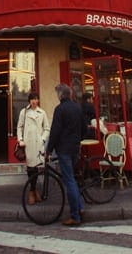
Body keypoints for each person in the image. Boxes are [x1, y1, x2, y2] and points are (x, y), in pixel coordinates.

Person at [45, 83, 87, 226]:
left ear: (60, 95)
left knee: (69, 181)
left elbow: (55, 132)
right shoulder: (77, 108)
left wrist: (49, 150)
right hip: (75, 148)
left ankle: (75, 216)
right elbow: (84, 128)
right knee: (71, 179)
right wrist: (77, 141)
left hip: (63, 149)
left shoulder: (59, 109)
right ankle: (80, 207)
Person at [17, 92, 50, 206]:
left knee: (36, 168)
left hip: (38, 144)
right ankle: (32, 191)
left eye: (36, 99)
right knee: (30, 168)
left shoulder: (42, 112)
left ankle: (33, 190)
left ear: (38, 100)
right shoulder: (24, 112)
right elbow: (19, 126)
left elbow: (46, 128)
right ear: (29, 101)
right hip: (28, 143)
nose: (34, 101)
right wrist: (20, 139)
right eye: (32, 99)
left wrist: (43, 139)